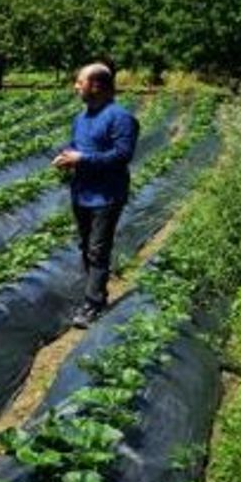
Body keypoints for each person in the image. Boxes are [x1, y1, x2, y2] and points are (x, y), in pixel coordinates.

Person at [52, 61, 140, 328]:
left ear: (96, 85)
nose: (76, 86)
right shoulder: (81, 117)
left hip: (107, 194)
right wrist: (67, 157)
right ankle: (94, 295)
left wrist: (83, 158)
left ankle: (94, 304)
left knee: (98, 250)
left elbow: (122, 155)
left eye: (80, 82)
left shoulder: (121, 118)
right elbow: (77, 146)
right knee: (86, 246)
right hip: (82, 192)